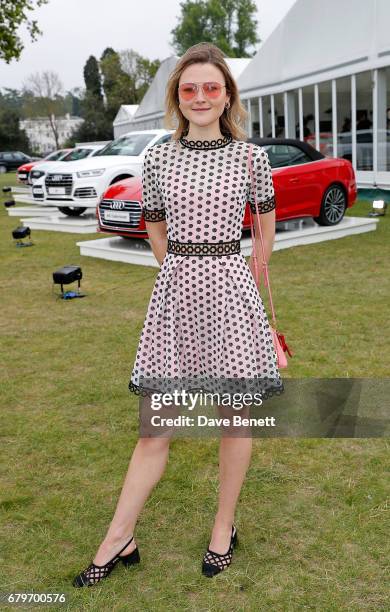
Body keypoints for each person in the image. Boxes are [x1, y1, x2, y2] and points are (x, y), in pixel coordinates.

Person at [72, 42, 284, 588]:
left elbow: (265, 218)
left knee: (235, 419)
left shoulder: (250, 157)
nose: (200, 96)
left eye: (211, 86)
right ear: (176, 96)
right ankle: (119, 536)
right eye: (189, 88)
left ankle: (223, 525)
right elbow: (155, 223)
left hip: (232, 295)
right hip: (176, 296)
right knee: (155, 428)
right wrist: (181, 274)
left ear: (228, 95)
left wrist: (248, 263)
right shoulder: (159, 156)